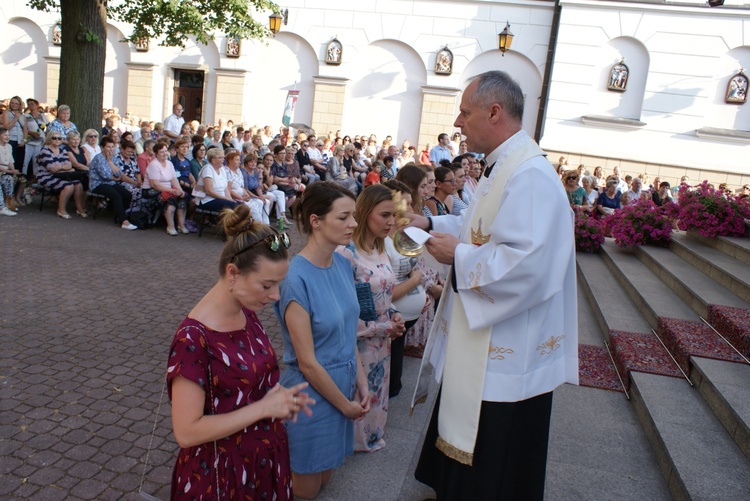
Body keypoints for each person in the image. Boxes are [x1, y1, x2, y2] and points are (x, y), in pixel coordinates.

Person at [409, 70, 578, 500]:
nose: (458, 122)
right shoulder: (504, 165)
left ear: (494, 111)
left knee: (494, 465)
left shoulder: (530, 176)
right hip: (485, 340)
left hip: (505, 350)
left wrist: (458, 258)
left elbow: (527, 265)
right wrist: (427, 223)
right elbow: (478, 228)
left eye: (465, 112)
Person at [167, 204, 313, 500]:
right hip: (221, 476)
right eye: (267, 285)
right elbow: (186, 431)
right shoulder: (193, 338)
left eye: (278, 284)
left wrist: (275, 398)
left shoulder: (246, 310)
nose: (275, 296)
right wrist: (261, 409)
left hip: (260, 462)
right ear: (232, 273)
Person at [275, 183, 370, 499]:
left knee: (326, 477)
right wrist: (346, 406)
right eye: (343, 217)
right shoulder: (294, 277)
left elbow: (348, 332)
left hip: (341, 388)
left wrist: (362, 383)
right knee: (306, 488)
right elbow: (307, 361)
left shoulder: (343, 264)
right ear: (316, 221)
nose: (354, 224)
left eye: (353, 216)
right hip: (311, 395)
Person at [336, 185, 406, 452]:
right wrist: (387, 325)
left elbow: (383, 295)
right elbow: (345, 314)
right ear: (365, 213)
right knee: (361, 395)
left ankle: (372, 435)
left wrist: (393, 313)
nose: (391, 222)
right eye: (384, 215)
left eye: (393, 215)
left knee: (377, 395)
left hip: (381, 343)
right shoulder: (346, 254)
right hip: (359, 346)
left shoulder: (381, 246)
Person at [382, 180, 427, 398]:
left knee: (394, 368)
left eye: (411, 204)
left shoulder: (403, 234)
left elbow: (413, 265)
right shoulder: (382, 242)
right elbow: (386, 292)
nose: (411, 209)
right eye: (405, 204)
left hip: (406, 316)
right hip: (394, 315)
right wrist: (415, 281)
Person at [88, 137, 137, 230]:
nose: (110, 149)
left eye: (112, 147)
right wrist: (114, 172)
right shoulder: (98, 158)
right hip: (98, 184)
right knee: (116, 195)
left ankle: (120, 215)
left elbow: (119, 173)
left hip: (110, 183)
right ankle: (124, 222)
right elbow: (105, 175)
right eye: (108, 147)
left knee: (127, 194)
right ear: (102, 148)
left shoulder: (113, 158)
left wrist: (110, 163)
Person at [35, 131, 87, 219]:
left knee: (78, 184)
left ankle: (79, 208)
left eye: (59, 138)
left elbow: (69, 165)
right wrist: (64, 168)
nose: (57, 140)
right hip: (46, 176)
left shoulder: (62, 150)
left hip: (62, 174)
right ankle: (61, 210)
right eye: (54, 138)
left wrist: (60, 167)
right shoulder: (45, 150)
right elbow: (51, 168)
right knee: (68, 186)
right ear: (49, 139)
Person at [145, 142, 187, 235]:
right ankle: (170, 226)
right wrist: (172, 191)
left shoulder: (169, 163)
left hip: (168, 189)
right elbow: (155, 184)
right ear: (156, 154)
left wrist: (179, 190)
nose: (165, 154)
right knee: (170, 200)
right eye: (161, 152)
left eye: (165, 151)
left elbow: (174, 179)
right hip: (153, 191)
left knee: (182, 198)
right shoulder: (154, 165)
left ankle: (181, 225)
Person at [196, 147, 238, 213]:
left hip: (221, 198)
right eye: (221, 157)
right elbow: (209, 191)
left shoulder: (222, 169)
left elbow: (226, 188)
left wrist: (230, 198)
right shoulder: (208, 169)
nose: (223, 160)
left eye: (223, 157)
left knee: (240, 205)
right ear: (213, 160)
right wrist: (226, 199)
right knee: (234, 207)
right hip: (207, 200)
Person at [23, 98, 49, 179]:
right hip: (29, 141)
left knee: (36, 160)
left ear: (37, 105)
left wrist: (45, 136)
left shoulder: (42, 116)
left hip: (40, 141)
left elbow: (48, 126)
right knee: (26, 160)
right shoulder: (26, 116)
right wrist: (31, 133)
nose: (30, 106)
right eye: (29, 104)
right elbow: (24, 128)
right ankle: (23, 176)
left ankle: (36, 177)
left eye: (32, 104)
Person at [0, 127, 22, 215]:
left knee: (9, 179)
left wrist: (13, 170)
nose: (7, 137)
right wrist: (10, 171)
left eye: (8, 135)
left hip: (5, 172)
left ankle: (9, 204)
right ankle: (1, 207)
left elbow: (10, 161)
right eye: (5, 135)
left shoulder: (9, 146)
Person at [1, 96, 27, 169]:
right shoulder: (6, 113)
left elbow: (25, 129)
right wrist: (15, 119)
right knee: (11, 160)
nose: (14, 105)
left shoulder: (22, 115)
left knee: (20, 161)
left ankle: (19, 177)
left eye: (16, 103)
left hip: (21, 140)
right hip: (11, 139)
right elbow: (6, 128)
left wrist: (24, 140)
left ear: (19, 105)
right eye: (12, 103)